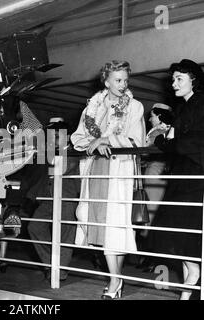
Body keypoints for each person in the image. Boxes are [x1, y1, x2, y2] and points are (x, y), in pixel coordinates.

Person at [71, 60, 146, 299]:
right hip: (96, 171)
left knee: (116, 227)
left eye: (125, 80)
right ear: (106, 81)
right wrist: (94, 143)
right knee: (96, 225)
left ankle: (115, 280)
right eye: (117, 80)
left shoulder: (135, 107)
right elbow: (78, 138)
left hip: (119, 172)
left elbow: (137, 141)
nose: (123, 85)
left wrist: (106, 141)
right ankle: (117, 277)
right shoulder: (92, 107)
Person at [152, 59, 204, 300]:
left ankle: (193, 275)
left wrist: (164, 144)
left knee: (183, 231)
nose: (173, 83)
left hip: (195, 177)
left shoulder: (201, 104)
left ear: (193, 80)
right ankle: (190, 287)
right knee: (178, 232)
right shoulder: (183, 107)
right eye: (173, 79)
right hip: (183, 176)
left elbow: (192, 142)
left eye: (179, 79)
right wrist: (168, 144)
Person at [27, 118, 79, 282]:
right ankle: (52, 264)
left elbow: (60, 168)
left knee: (65, 236)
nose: (53, 139)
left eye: (56, 136)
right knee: (34, 227)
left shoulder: (74, 151)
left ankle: (59, 271)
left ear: (67, 136)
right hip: (48, 197)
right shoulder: (51, 151)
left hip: (67, 198)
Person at [136, 103, 174, 271]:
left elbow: (147, 153)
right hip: (154, 175)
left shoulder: (158, 133)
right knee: (152, 215)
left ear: (159, 117)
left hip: (154, 177)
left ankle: (152, 257)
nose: (149, 118)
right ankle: (151, 256)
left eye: (152, 115)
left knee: (151, 215)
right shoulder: (162, 131)